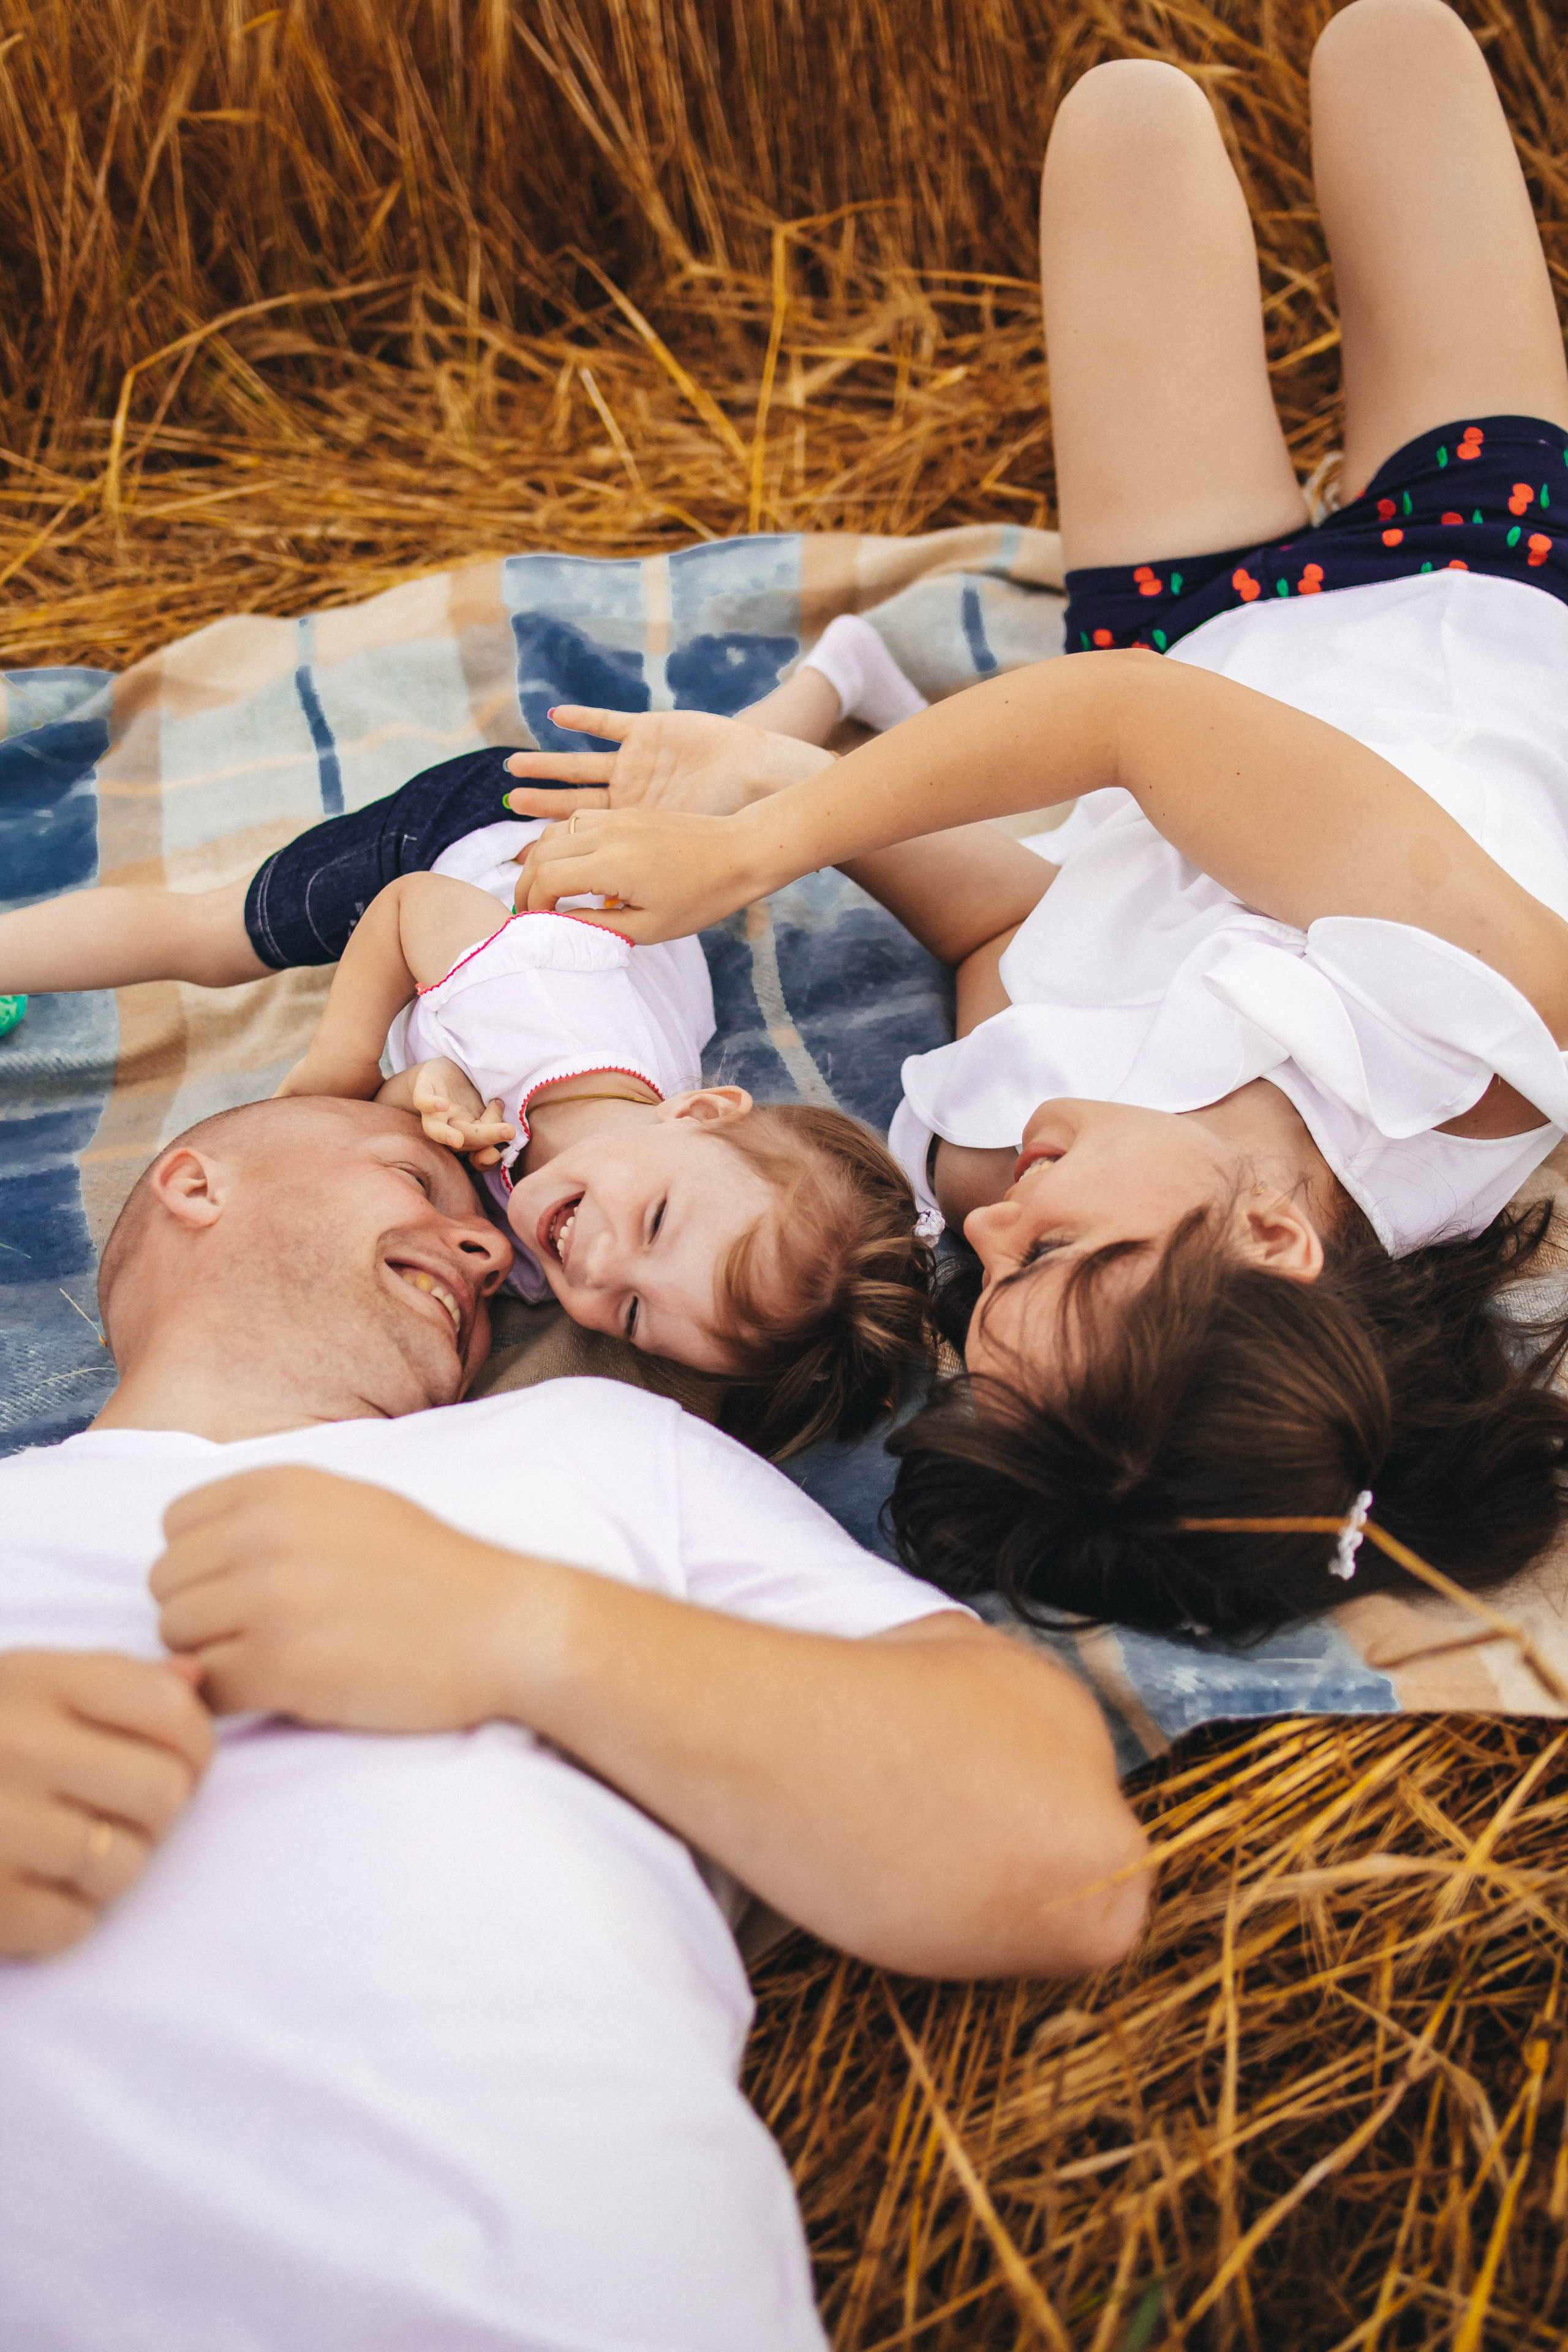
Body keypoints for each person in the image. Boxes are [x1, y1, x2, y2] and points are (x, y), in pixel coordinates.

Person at [494, 0, 1568, 1643]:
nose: (987, 1232)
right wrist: (757, 853)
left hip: (1190, 626)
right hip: (1476, 582)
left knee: (1123, 119)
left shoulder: (998, 1151)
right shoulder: (1474, 1049)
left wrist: (767, 777)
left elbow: (1004, 917)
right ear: (1270, 1237)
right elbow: (1126, 731)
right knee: (1392, 44)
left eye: (986, 1289)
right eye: (1053, 1263)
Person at [0, 1093, 1145, 2350]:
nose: (490, 1250)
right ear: (196, 1186)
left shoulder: (594, 1446)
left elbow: (1060, 1863)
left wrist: (523, 1630)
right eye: (411, 1179)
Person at [0, 626, 932, 1460]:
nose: (600, 1265)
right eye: (652, 1222)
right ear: (697, 1111)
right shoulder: (542, 1007)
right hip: (482, 840)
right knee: (213, 937)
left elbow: (420, 1114)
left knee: (722, 792)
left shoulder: (541, 1242)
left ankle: (834, 678)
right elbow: (409, 909)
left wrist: (423, 1095)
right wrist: (342, 1065)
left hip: (616, 892)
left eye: (634, 1314)